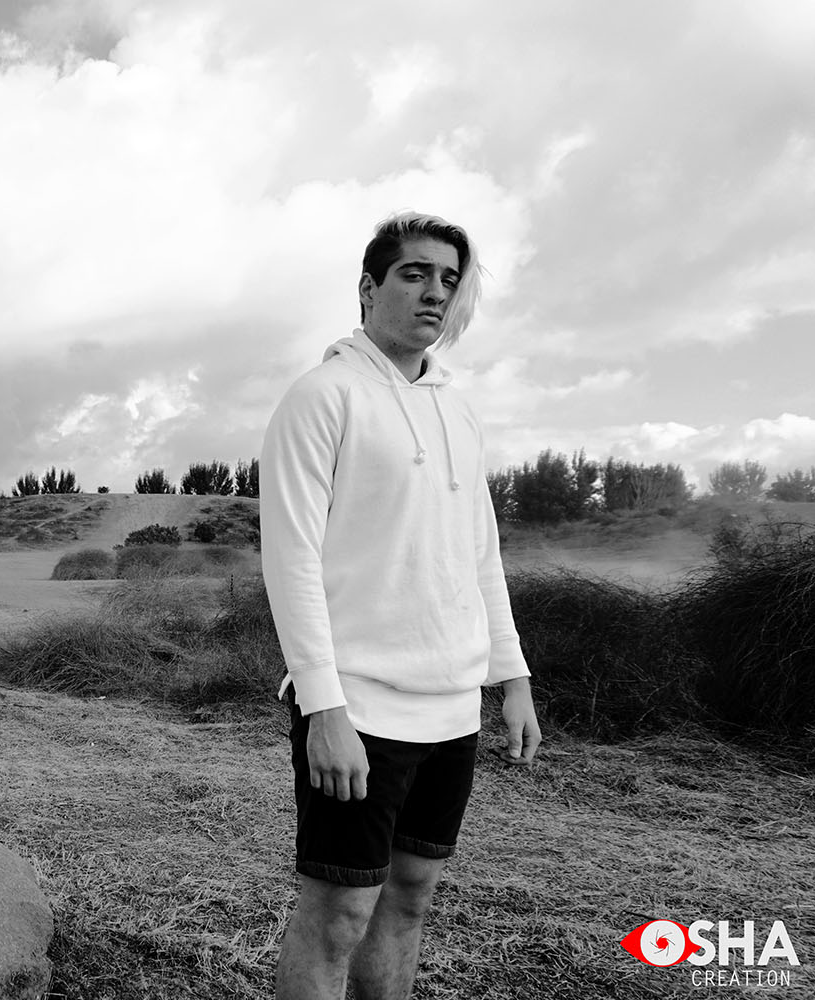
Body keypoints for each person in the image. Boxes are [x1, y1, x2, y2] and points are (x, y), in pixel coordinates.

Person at [260, 211, 541, 1000]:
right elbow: (291, 562)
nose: (435, 293)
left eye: (449, 279)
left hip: (452, 709)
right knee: (339, 911)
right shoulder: (322, 397)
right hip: (359, 706)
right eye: (414, 274)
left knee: (409, 897)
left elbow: (479, 556)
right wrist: (324, 708)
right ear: (368, 287)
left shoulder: (461, 411)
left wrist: (512, 679)